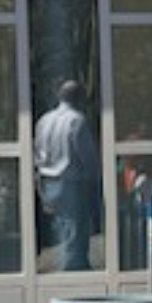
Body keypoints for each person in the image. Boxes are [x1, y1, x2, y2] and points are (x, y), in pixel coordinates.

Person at [34, 80, 100, 271]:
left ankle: (59, 266)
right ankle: (73, 269)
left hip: (47, 181)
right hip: (70, 180)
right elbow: (86, 154)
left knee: (57, 227)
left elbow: (36, 150)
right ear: (79, 97)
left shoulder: (44, 120)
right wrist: (94, 177)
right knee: (75, 229)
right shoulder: (76, 120)